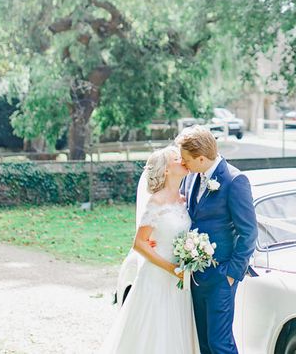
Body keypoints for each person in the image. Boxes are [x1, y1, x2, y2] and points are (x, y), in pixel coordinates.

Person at [100, 145, 199, 354]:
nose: (182, 160)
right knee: (154, 335)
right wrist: (172, 268)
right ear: (165, 170)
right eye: (176, 159)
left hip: (180, 280)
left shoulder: (183, 200)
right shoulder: (156, 202)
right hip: (158, 277)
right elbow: (139, 243)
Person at [178, 125, 258, 354]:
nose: (183, 164)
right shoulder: (191, 177)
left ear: (201, 158)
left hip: (221, 277)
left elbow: (249, 232)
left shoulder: (235, 181)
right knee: (203, 343)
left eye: (186, 160)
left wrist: (232, 274)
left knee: (219, 344)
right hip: (196, 276)